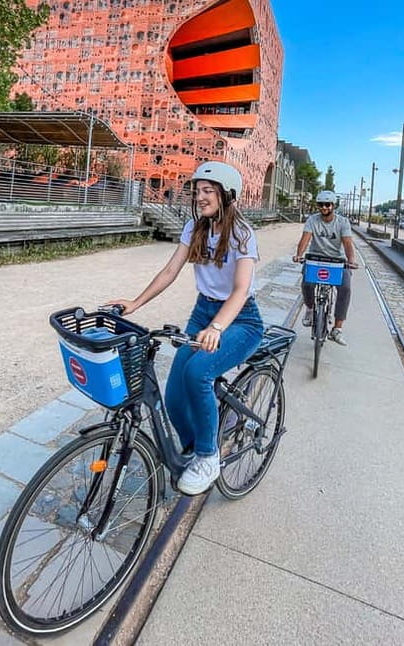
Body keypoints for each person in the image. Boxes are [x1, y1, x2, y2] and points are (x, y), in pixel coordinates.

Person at [108, 161, 263, 495]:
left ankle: (209, 458)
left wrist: (217, 327)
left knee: (198, 375)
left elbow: (240, 290)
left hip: (240, 319)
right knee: (175, 397)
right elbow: (169, 271)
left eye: (209, 191)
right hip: (201, 312)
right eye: (198, 191)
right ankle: (197, 444)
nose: (201, 196)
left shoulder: (242, 234)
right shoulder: (195, 227)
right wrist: (135, 303)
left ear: (228, 195)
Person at [292, 190, 358, 346]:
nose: (324, 208)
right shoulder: (312, 220)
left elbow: (348, 243)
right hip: (315, 258)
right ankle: (309, 308)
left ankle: (337, 328)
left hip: (337, 260)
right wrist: (298, 254)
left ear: (333, 205)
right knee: (307, 283)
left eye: (327, 204)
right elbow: (305, 239)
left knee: (345, 288)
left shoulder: (342, 222)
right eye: (320, 204)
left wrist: (351, 261)